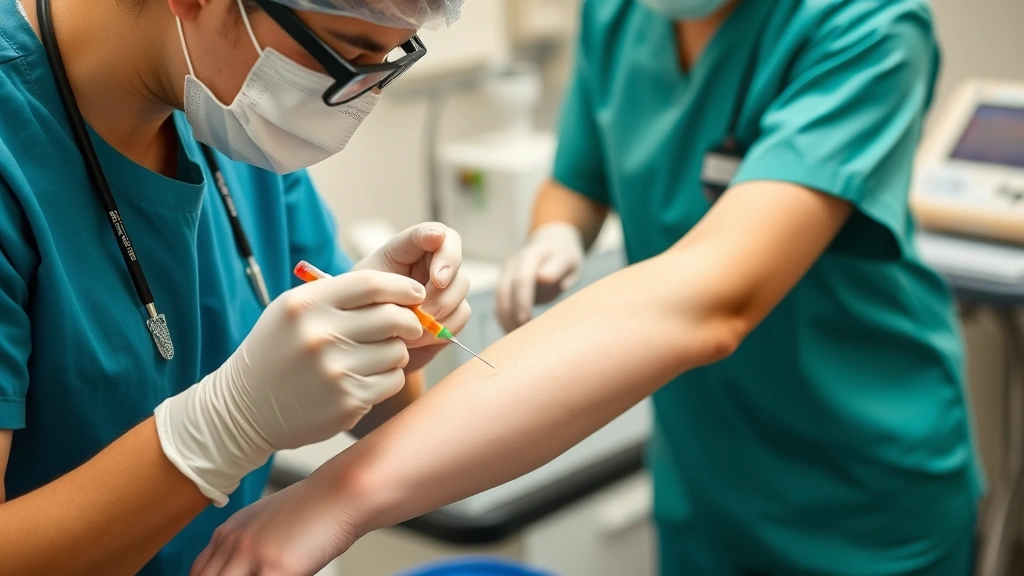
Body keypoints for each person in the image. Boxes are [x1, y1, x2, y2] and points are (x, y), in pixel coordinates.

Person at [192, 0, 983, 575]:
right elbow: (579, 175)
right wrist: (556, 233)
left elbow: (718, 298)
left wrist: (338, 496)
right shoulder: (624, 14)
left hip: (860, 481)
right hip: (709, 472)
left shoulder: (866, 27)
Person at [0, 0, 469, 573]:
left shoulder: (230, 112)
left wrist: (386, 341)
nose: (357, 103)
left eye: (386, 60)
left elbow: (382, 415)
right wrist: (222, 428)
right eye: (344, 55)